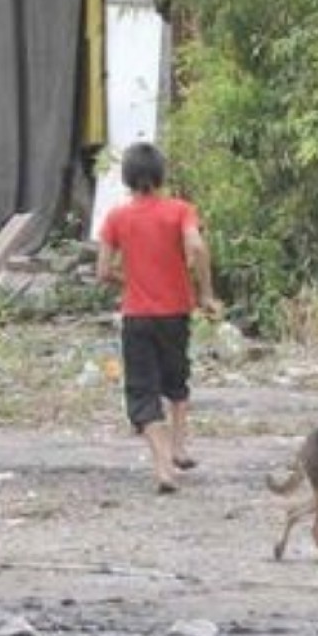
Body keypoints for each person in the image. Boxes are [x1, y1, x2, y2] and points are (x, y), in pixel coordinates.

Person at [97, 143, 221, 494]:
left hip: (137, 316)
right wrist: (206, 293)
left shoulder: (116, 218)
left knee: (143, 392)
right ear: (161, 175)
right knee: (176, 382)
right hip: (176, 313)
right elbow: (196, 247)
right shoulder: (180, 210)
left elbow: (102, 271)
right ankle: (179, 446)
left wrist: (129, 280)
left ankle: (163, 467)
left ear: (127, 178)